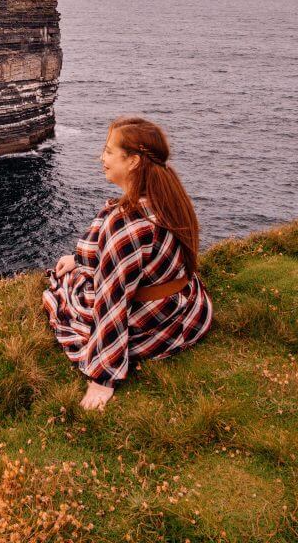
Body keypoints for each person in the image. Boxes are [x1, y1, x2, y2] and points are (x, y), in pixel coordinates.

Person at [42, 116, 213, 411]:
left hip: (149, 323)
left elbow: (112, 302)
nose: (101, 157)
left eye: (109, 151)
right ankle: (80, 263)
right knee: (78, 269)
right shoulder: (167, 195)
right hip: (182, 308)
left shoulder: (127, 224)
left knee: (66, 291)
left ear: (133, 161)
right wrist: (79, 259)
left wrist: (102, 378)